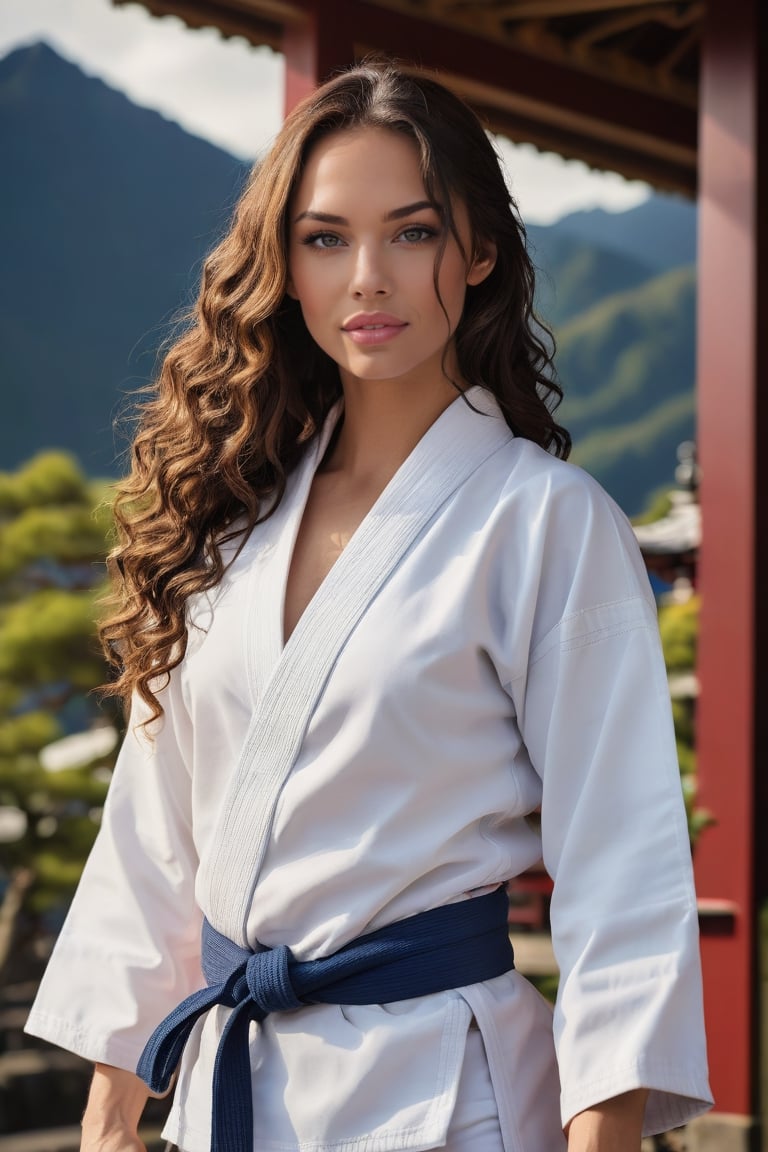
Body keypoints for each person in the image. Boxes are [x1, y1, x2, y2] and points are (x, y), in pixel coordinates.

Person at [25, 59, 711, 1152]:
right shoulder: (234, 516)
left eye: (415, 233)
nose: (368, 279)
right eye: (327, 238)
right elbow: (155, 834)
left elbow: (622, 874)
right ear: (285, 266)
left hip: (441, 1093)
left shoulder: (545, 523)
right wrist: (112, 1114)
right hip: (229, 1086)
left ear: (479, 250)